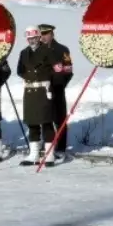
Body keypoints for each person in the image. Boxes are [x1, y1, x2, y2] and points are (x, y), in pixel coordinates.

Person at [17, 26, 58, 165]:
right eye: (29, 38)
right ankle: (34, 154)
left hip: (43, 90)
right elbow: (19, 70)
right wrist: (29, 76)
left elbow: (57, 69)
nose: (32, 41)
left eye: (34, 38)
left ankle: (49, 154)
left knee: (46, 123)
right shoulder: (23, 53)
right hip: (29, 91)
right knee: (32, 123)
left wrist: (45, 78)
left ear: (39, 37)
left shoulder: (48, 51)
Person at [40, 24, 74, 160]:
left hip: (57, 88)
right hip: (42, 89)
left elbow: (68, 70)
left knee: (60, 119)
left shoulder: (62, 50)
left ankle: (60, 147)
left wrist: (60, 83)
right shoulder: (38, 51)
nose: (43, 37)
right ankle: (47, 145)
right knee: (44, 118)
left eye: (46, 34)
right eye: (41, 34)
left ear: (52, 34)